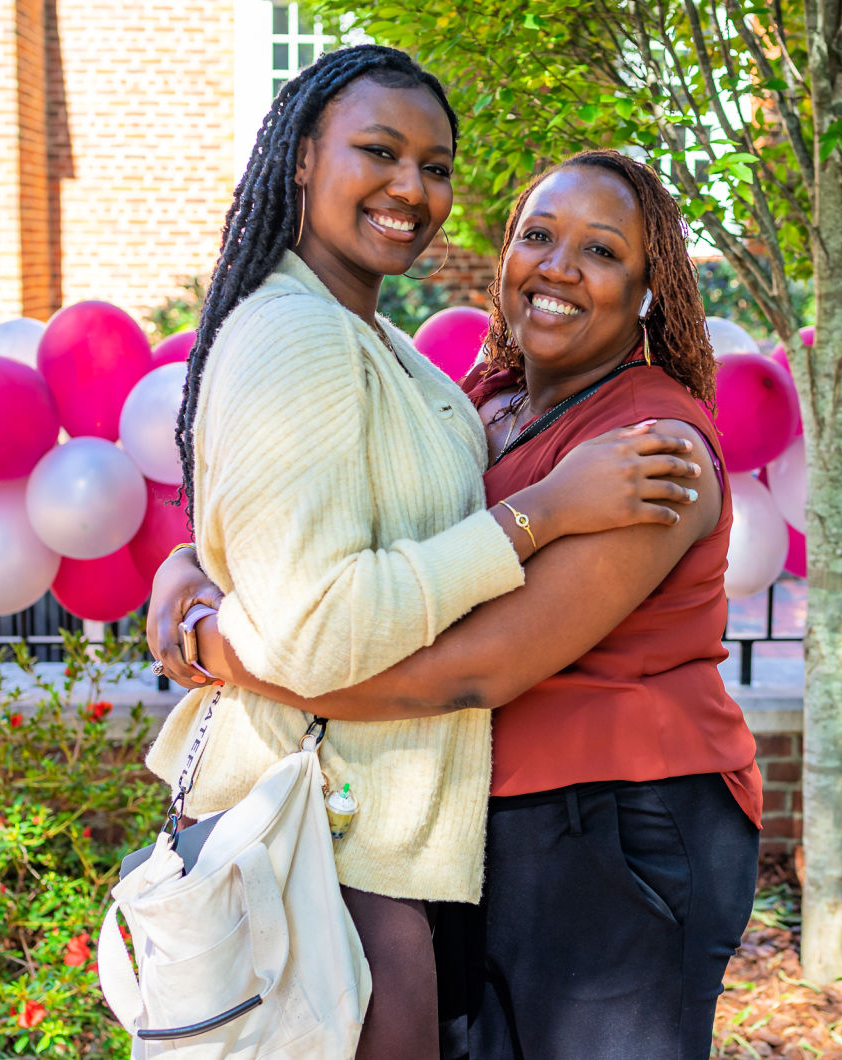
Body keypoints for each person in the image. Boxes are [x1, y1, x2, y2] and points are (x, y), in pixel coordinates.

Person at [141, 47, 706, 1060]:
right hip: (331, 842)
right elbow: (317, 626)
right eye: (380, 151)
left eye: (436, 166)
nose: (412, 186)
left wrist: (210, 608)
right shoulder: (304, 335)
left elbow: (318, 537)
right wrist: (204, 595)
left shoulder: (397, 352)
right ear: (304, 157)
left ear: (652, 288)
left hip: (493, 841)